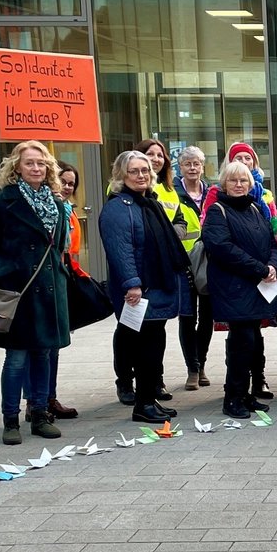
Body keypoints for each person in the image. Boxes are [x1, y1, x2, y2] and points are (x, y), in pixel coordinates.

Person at [100, 150, 194, 424]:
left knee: (154, 344)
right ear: (121, 175)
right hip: (140, 290)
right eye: (134, 171)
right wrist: (132, 284)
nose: (141, 175)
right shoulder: (118, 208)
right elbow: (121, 251)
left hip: (158, 286)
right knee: (144, 348)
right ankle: (142, 404)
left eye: (144, 171)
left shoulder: (148, 202)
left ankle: (149, 399)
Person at [0, 142, 69, 445]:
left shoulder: (55, 201)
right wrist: (8, 272)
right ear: (17, 167)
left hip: (50, 287)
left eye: (41, 163)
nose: (36, 168)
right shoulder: (5, 201)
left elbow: (60, 245)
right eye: (30, 163)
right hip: (20, 287)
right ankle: (10, 420)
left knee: (43, 354)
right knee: (16, 358)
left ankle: (39, 413)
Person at [200, 161, 277, 419]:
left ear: (251, 184)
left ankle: (246, 395)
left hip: (258, 285)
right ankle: (233, 398)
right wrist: (259, 268)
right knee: (241, 341)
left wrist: (273, 266)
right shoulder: (217, 211)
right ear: (223, 184)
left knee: (253, 341)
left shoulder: (256, 208)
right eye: (233, 180)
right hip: (233, 287)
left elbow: (272, 243)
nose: (238, 185)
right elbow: (221, 248)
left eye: (243, 180)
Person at [174, 145, 212, 392]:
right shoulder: (172, 193)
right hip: (183, 263)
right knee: (188, 318)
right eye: (187, 163)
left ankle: (203, 363)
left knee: (207, 317)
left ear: (202, 166)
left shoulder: (212, 193)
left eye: (196, 163)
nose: (192, 168)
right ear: (180, 166)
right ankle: (192, 368)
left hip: (206, 263)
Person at [47, 161, 82, 420]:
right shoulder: (50, 209)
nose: (68, 187)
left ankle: (49, 397)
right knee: (38, 349)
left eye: (71, 183)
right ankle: (37, 401)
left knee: (54, 347)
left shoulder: (67, 209)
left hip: (62, 279)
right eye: (63, 181)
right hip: (43, 283)